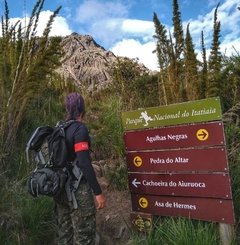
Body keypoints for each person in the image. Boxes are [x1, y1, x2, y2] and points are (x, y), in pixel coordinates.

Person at [54, 92, 106, 245]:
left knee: (65, 234)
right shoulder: (79, 129)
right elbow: (84, 163)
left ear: (67, 108)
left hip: (60, 189)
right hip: (78, 191)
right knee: (84, 236)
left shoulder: (60, 128)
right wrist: (98, 192)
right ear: (82, 109)